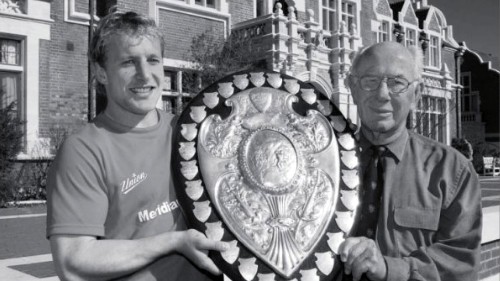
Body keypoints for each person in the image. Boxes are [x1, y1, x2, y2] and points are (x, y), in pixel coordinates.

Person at [46, 11, 228, 281]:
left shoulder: (192, 133)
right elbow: (73, 261)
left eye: (152, 60)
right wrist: (173, 242)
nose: (144, 75)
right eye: (129, 62)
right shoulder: (84, 150)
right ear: (101, 72)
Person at [338, 42, 482, 281]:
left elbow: (461, 264)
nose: (382, 95)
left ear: (416, 94)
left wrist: (388, 268)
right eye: (370, 81)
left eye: (397, 83)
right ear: (353, 88)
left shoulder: (452, 172)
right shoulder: (321, 162)